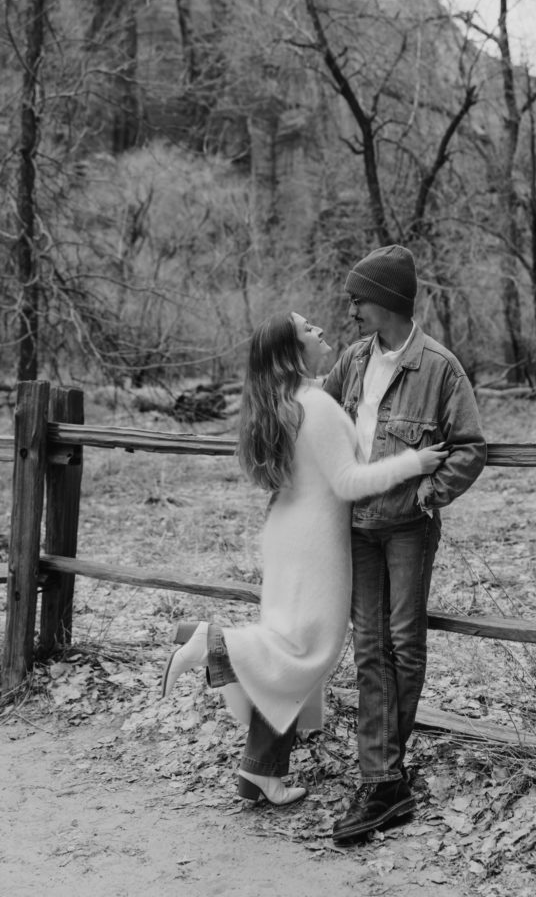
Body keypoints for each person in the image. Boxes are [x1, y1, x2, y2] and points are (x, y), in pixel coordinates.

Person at [161, 310, 448, 808]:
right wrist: (414, 463)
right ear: (296, 353)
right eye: (309, 329)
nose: (320, 330)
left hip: (288, 535)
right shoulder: (315, 404)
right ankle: (213, 642)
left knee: (287, 657)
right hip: (316, 544)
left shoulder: (283, 401)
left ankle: (261, 772)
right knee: (302, 655)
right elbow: (348, 483)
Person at [323, 244, 487, 842]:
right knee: (369, 647)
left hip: (407, 529)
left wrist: (431, 493)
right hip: (357, 528)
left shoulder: (439, 368)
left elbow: (469, 445)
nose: (352, 310)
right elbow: (317, 414)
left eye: (358, 299)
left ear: (387, 300)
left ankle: (383, 778)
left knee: (403, 644)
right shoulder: (352, 359)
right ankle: (383, 779)